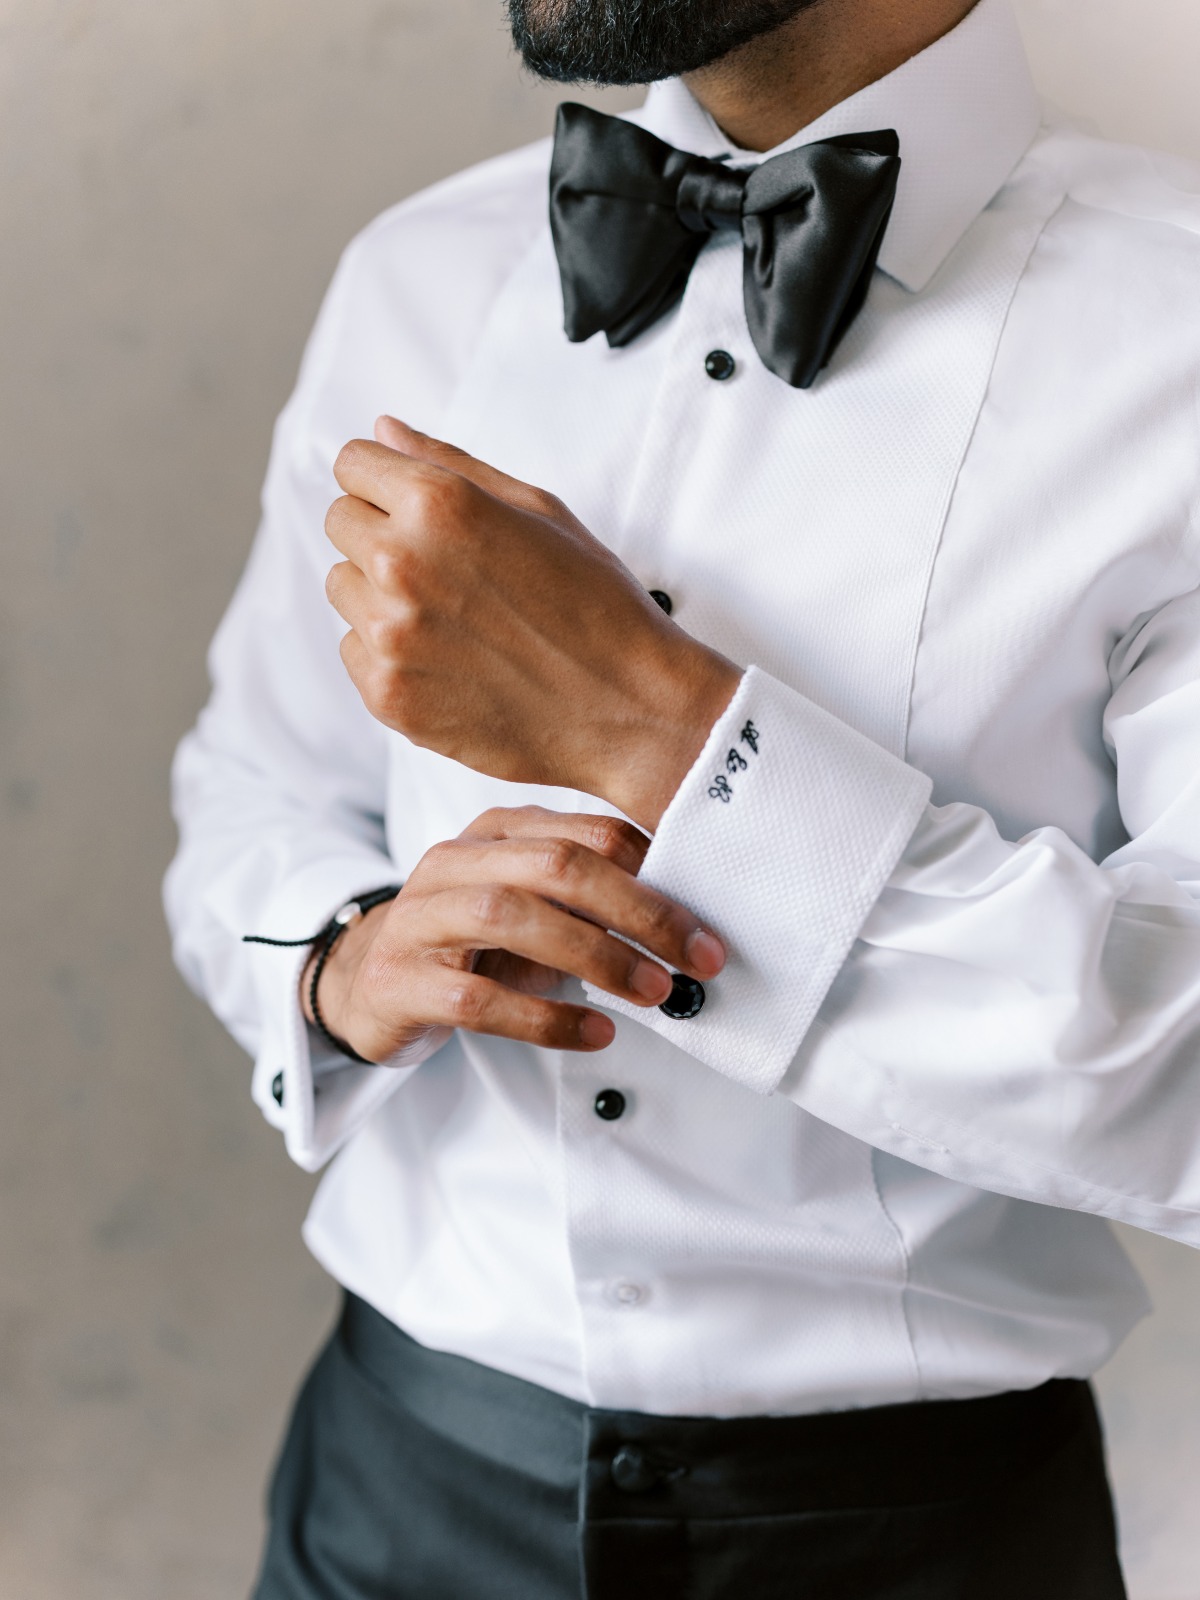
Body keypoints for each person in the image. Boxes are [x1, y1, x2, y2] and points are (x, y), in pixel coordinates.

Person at [165, 0, 1200, 1592]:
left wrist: (656, 732)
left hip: (925, 1542)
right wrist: (338, 959)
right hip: (391, 1494)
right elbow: (250, 784)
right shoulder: (418, 277)